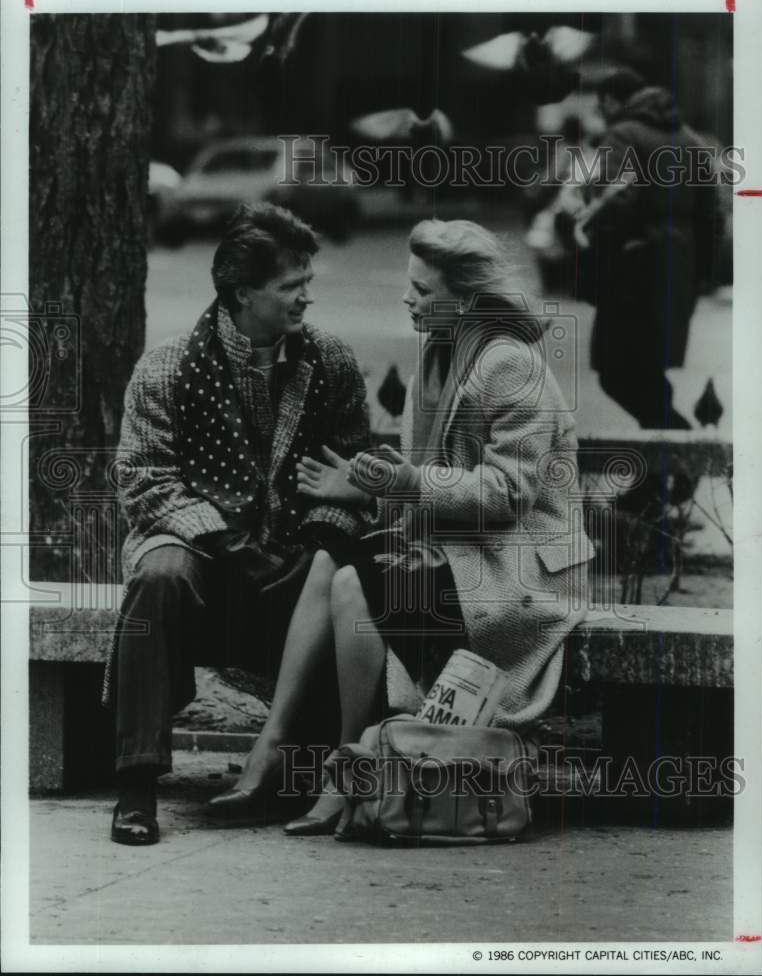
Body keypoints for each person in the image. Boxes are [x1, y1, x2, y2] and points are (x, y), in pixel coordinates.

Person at [213, 218, 595, 835]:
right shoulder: (435, 365)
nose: (408, 300)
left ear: (464, 298)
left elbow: (507, 495)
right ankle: (288, 747)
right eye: (408, 286)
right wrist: (371, 488)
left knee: (352, 582)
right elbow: (425, 491)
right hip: (463, 559)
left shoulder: (508, 365)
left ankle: (342, 771)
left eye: (421, 290)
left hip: (520, 576)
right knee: (330, 559)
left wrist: (391, 483)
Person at [106, 202, 371, 846]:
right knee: (158, 578)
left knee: (336, 576)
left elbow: (351, 474)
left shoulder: (329, 362)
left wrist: (314, 541)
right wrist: (227, 543)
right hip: (198, 559)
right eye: (291, 286)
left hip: (290, 566)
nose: (306, 298)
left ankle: (299, 768)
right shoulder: (165, 368)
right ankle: (137, 786)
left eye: (308, 282)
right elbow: (143, 481)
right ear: (241, 292)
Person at [574, 67, 722, 431]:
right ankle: (660, 479)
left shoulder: (621, 135)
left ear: (611, 100)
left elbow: (612, 203)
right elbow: (713, 217)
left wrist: (587, 236)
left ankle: (678, 451)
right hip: (678, 273)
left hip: (631, 272)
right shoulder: (692, 140)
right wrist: (701, 274)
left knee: (616, 373)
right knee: (649, 371)